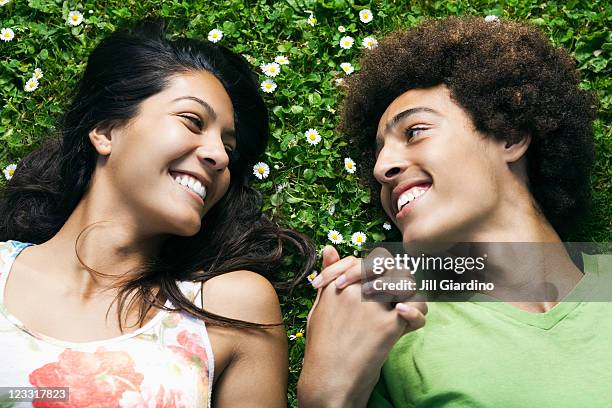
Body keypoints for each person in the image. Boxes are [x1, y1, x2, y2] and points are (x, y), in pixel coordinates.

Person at [0, 19, 315, 407]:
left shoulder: (227, 308)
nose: (218, 155)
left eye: (228, 150)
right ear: (106, 131)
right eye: (192, 121)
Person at [298, 16, 611, 407]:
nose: (382, 169)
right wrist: (326, 392)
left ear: (510, 135)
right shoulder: (395, 327)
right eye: (378, 156)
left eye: (414, 131)